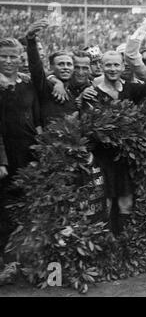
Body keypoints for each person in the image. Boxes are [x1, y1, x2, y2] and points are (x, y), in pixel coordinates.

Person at [83, 50, 146, 235]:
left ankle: (124, 248)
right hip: (102, 158)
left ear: (123, 67)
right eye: (108, 65)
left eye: (116, 64)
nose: (112, 69)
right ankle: (106, 246)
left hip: (125, 158)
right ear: (101, 67)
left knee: (126, 203)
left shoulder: (130, 89)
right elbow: (86, 126)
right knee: (105, 204)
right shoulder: (92, 92)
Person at [0, 38, 41, 284]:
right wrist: (1, 160)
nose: (8, 61)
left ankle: (25, 264)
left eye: (12, 57)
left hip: (27, 156)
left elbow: (36, 121)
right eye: (3, 57)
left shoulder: (26, 84)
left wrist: (39, 154)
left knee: (28, 209)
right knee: (3, 211)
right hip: (5, 159)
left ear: (20, 59)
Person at [26, 19, 77, 127]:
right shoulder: (45, 86)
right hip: (49, 141)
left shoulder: (76, 88)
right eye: (61, 64)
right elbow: (35, 66)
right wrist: (31, 40)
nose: (65, 67)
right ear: (51, 67)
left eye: (69, 64)